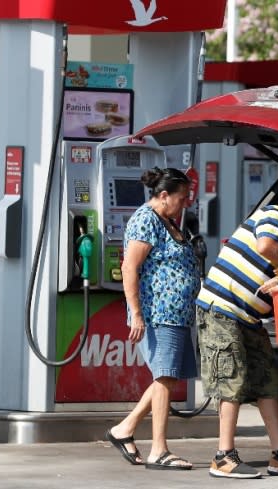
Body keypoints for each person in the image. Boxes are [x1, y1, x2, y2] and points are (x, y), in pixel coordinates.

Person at [196, 182, 278, 478]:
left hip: (249, 318)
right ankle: (223, 456)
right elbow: (265, 247)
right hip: (222, 310)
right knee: (232, 380)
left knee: (267, 380)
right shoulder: (274, 216)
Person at [105, 167, 201, 470]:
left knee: (167, 377)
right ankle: (159, 449)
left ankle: (124, 429)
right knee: (164, 377)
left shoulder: (167, 220)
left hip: (176, 314)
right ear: (163, 196)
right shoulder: (146, 220)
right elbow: (130, 268)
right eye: (182, 197)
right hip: (159, 312)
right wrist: (136, 314)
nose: (186, 203)